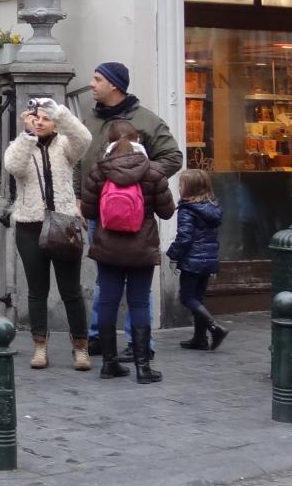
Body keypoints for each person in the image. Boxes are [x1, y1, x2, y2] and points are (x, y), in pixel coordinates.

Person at [82, 61, 183, 357]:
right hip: (101, 215)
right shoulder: (90, 119)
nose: (91, 84)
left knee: (137, 289)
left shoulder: (146, 120)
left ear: (114, 84)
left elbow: (173, 157)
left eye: (97, 79)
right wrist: (78, 196)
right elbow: (79, 160)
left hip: (138, 217)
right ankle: (99, 338)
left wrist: (141, 177)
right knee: (105, 281)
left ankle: (139, 345)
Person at [80, 119, 175, 383]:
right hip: (141, 248)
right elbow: (167, 212)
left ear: (108, 142)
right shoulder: (153, 171)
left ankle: (109, 364)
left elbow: (88, 211)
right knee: (139, 302)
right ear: (138, 140)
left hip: (108, 247)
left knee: (108, 302)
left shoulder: (99, 171)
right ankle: (143, 368)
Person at [3, 96, 92, 371]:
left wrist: (59, 112)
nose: (40, 122)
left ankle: (81, 348)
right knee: (37, 290)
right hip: (30, 225)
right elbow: (13, 166)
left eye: (46, 119)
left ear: (55, 123)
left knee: (71, 291)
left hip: (63, 224)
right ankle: (40, 346)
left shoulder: (65, 146)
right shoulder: (20, 145)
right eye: (36, 118)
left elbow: (84, 139)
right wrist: (28, 136)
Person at [166, 169, 229, 351]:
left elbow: (184, 238)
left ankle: (214, 328)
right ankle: (200, 338)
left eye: (181, 184)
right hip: (208, 260)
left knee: (187, 297)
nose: (179, 187)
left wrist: (173, 254)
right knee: (198, 298)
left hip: (192, 261)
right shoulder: (212, 207)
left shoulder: (187, 210)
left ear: (189, 188)